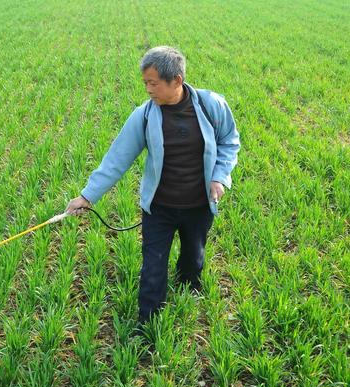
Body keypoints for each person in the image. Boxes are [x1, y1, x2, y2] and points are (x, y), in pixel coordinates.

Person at [65, 46, 240, 332]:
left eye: (153, 83)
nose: (148, 89)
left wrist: (219, 177)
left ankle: (188, 295)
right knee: (153, 267)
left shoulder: (211, 106)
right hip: (159, 208)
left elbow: (229, 142)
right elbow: (116, 159)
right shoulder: (144, 116)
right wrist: (87, 196)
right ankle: (148, 325)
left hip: (199, 205)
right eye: (145, 82)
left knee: (193, 257)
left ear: (177, 81)